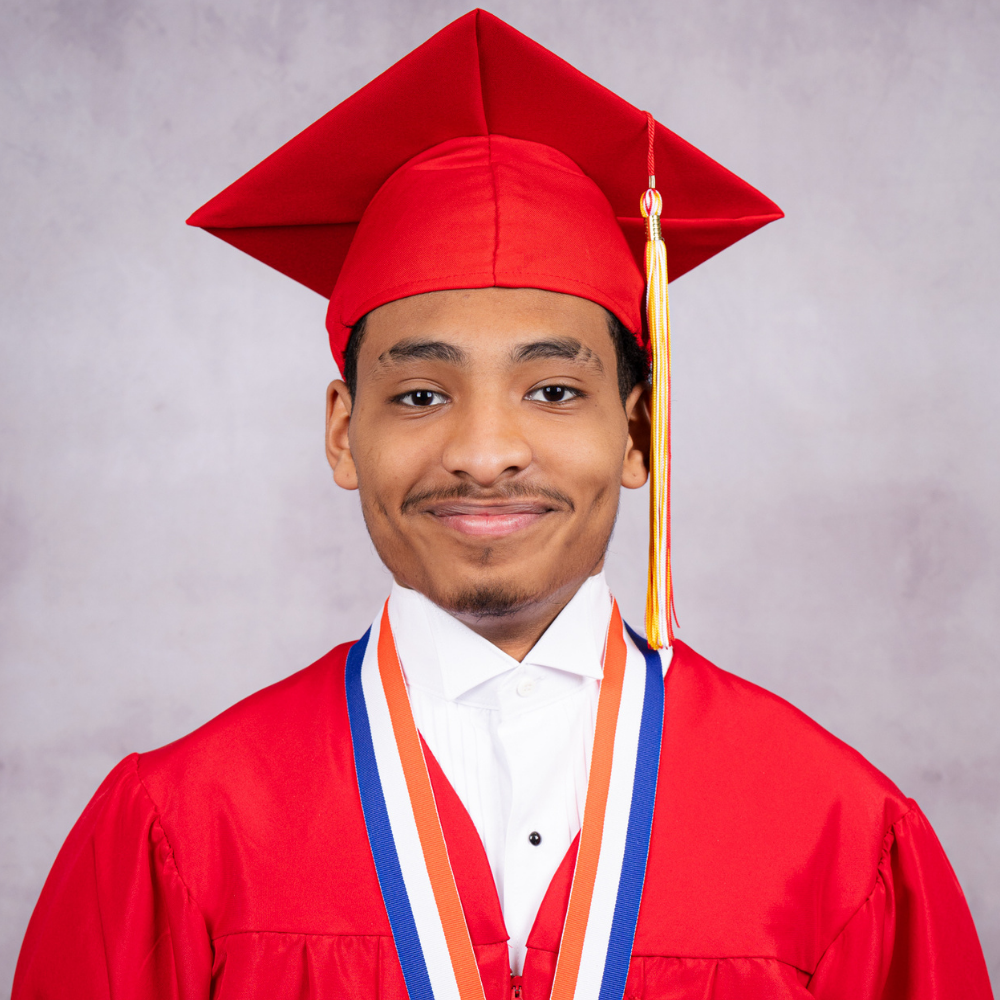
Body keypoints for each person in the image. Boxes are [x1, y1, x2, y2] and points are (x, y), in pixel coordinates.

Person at [13, 10, 992, 1000]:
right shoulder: (181, 830)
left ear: (640, 435)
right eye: (422, 395)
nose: (484, 454)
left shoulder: (837, 837)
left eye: (555, 391)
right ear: (344, 433)